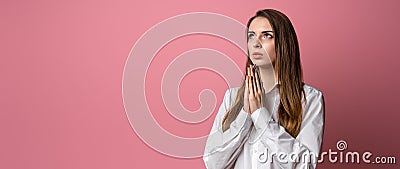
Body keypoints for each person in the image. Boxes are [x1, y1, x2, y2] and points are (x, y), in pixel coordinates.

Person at [203, 9, 325, 169]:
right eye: (251, 36)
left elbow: (305, 165)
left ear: (283, 43)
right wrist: (245, 115)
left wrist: (260, 115)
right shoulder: (232, 97)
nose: (255, 43)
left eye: (266, 35)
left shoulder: (310, 98)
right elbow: (212, 163)